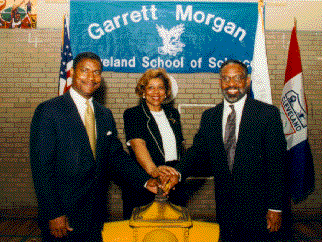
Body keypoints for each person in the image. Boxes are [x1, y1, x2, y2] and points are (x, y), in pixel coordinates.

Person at [30, 52, 159, 242]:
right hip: (63, 218)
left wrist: (146, 181)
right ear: (72, 72)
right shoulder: (49, 111)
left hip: (95, 216)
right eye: (85, 70)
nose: (91, 77)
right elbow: (42, 169)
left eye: (97, 72)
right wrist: (53, 213)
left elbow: (116, 157)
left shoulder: (104, 115)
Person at [171, 60, 287, 242]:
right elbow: (198, 152)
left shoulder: (267, 114)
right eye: (226, 78)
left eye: (237, 78)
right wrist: (177, 173)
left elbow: (277, 164)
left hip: (260, 208)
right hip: (225, 207)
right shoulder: (210, 116)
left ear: (247, 81)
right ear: (220, 82)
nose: (231, 84)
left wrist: (276, 207)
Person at [122, 68, 185, 219]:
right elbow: (138, 145)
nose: (156, 92)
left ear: (166, 92)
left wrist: (177, 174)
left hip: (172, 183)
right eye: (150, 87)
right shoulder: (133, 114)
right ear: (143, 91)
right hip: (146, 181)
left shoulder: (173, 114)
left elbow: (179, 148)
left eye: (160, 87)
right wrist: (154, 171)